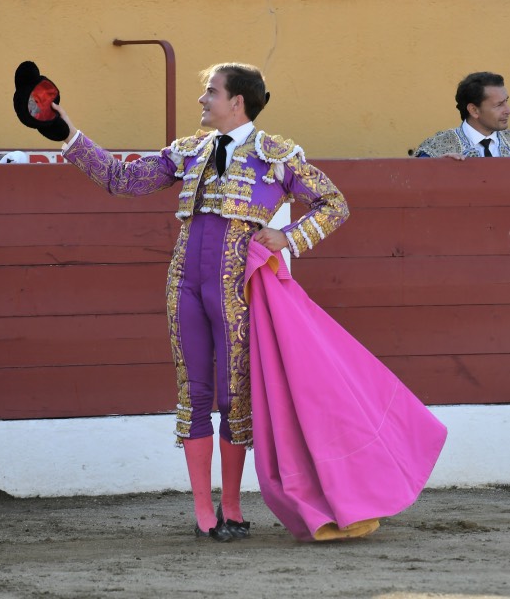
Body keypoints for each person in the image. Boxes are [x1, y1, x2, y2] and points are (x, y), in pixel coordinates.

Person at [50, 62, 349, 541]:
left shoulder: (278, 156)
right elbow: (121, 179)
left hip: (236, 290)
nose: (201, 101)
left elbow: (335, 203)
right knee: (194, 396)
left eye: (210, 92)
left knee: (234, 399)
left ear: (238, 102)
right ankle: (204, 512)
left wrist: (288, 237)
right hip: (184, 284)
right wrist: (64, 133)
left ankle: (232, 506)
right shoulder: (188, 151)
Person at [412, 71, 510, 164]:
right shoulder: (439, 147)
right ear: (474, 110)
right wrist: (435, 170)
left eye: (506, 101)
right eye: (499, 105)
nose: (508, 110)